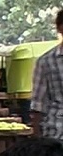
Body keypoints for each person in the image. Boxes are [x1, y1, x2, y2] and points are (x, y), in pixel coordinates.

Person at [30, 10, 63, 138]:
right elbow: (38, 102)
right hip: (57, 133)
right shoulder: (46, 62)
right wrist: (36, 137)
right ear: (60, 28)